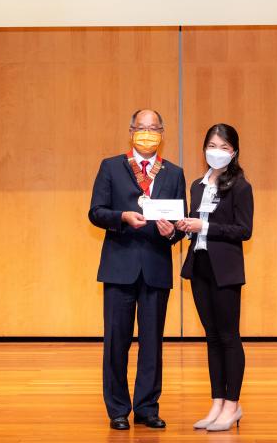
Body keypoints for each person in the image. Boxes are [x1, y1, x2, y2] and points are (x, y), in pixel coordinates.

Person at [88, 109, 187, 431]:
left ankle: (147, 407)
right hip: (119, 267)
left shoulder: (173, 172)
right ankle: (117, 409)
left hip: (156, 267)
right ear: (131, 130)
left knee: (152, 343)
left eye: (153, 128)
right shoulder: (111, 167)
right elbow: (96, 212)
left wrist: (171, 232)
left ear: (162, 132)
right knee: (116, 341)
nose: (147, 133)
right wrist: (122, 217)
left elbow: (180, 226)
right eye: (141, 128)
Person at [176, 123, 253, 432]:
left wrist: (204, 228)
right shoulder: (197, 184)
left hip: (226, 269)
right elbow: (196, 221)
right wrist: (185, 226)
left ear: (233, 152)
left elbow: (243, 230)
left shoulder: (240, 186)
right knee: (211, 337)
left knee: (229, 337)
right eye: (212, 145)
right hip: (200, 265)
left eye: (223, 147)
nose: (216, 152)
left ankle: (233, 405)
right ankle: (217, 402)